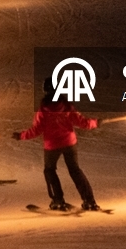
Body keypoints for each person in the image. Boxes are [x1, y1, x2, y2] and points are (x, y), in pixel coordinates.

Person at [12, 80, 103, 211]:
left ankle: (58, 200)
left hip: (52, 145)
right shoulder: (66, 106)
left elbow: (37, 129)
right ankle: (89, 201)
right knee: (75, 170)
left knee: (49, 170)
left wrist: (21, 136)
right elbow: (82, 122)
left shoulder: (43, 110)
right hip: (69, 143)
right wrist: (95, 123)